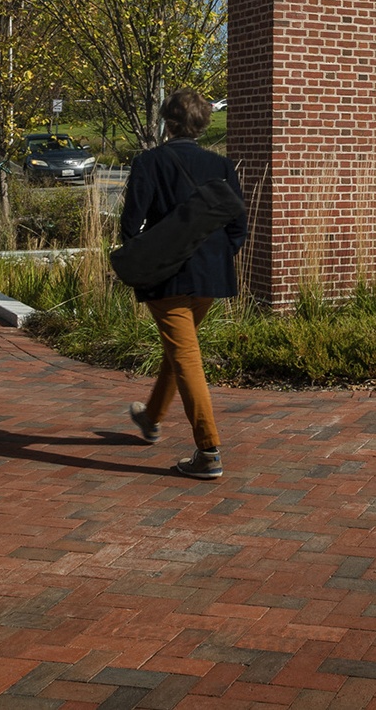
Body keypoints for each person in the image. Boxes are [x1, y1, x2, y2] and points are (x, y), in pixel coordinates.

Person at [118, 87, 246, 480]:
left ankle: (208, 451)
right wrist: (218, 255)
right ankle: (151, 417)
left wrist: (147, 253)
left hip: (167, 276)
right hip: (210, 276)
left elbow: (129, 225)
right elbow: (238, 225)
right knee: (180, 347)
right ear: (203, 124)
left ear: (167, 121)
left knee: (186, 356)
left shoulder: (149, 162)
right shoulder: (222, 166)